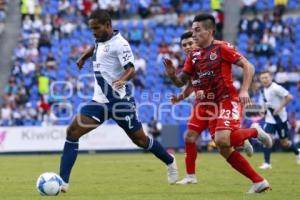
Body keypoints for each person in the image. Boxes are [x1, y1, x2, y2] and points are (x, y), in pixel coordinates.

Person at [59, 9, 178, 193]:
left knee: (141, 140)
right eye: (91, 29)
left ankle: (169, 161)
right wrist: (83, 57)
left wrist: (123, 79)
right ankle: (63, 182)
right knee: (73, 131)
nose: (93, 32)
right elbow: (96, 46)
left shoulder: (121, 44)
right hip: (99, 101)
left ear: (108, 25)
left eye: (96, 28)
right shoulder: (99, 39)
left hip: (119, 101)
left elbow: (131, 68)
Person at [163, 13, 272, 193]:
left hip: (227, 101)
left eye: (197, 30)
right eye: (193, 31)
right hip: (208, 106)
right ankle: (258, 181)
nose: (194, 34)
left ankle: (254, 131)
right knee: (223, 148)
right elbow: (183, 82)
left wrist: (244, 90)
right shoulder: (194, 56)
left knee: (222, 140)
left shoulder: (222, 48)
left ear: (210, 30)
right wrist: (173, 75)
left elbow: (248, 66)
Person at [170, 32, 253, 185]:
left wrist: (205, 91)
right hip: (201, 106)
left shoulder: (211, 56)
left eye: (190, 43)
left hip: (218, 103)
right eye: (184, 45)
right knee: (189, 137)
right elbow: (189, 86)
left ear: (198, 41)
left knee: (222, 142)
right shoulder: (191, 61)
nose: (187, 47)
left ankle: (244, 137)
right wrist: (180, 97)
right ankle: (190, 176)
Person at [258, 71, 300, 169]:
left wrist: (280, 107)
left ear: (271, 78)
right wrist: (263, 109)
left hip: (280, 119)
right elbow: (266, 102)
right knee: (267, 139)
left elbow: (289, 97)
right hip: (269, 119)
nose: (264, 80)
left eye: (266, 77)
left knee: (284, 143)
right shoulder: (262, 90)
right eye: (262, 78)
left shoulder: (276, 88)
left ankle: (298, 152)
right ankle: (267, 163)